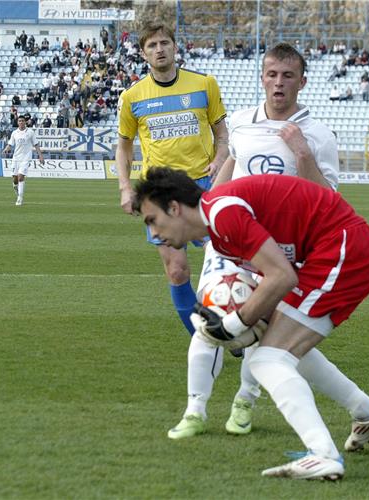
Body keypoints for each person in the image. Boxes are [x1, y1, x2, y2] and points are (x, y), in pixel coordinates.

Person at [133, 167, 369, 481]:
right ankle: (367, 413)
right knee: (275, 347)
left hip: (341, 249)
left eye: (152, 220)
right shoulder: (220, 230)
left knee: (269, 358)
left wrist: (232, 324)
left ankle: (323, 454)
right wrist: (243, 321)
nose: (154, 234)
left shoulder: (223, 214)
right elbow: (275, 276)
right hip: (335, 250)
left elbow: (282, 276)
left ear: (174, 208)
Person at [168, 43, 349, 442]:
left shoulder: (318, 135)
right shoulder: (241, 121)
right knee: (207, 320)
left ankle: (245, 401)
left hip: (281, 249)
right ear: (262, 78)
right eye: (272, 74)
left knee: (261, 329)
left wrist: (302, 153)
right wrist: (207, 214)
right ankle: (195, 409)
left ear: (302, 82)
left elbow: (331, 202)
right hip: (231, 238)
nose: (279, 83)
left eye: (287, 76)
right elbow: (231, 162)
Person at [116, 21, 229, 336]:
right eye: (152, 46)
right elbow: (123, 149)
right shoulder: (133, 96)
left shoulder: (204, 84)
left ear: (175, 47)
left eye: (164, 43)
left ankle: (230, 326)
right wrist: (126, 188)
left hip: (202, 187)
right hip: (159, 195)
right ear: (143, 53)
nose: (159, 49)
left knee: (219, 265)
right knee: (177, 271)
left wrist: (220, 160)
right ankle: (203, 340)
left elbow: (222, 135)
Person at [2, 116, 45, 206]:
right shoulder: (15, 133)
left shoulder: (30, 132)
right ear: (17, 123)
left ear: (25, 122)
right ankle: (16, 188)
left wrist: (40, 156)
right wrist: (6, 149)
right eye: (19, 121)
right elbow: (10, 144)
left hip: (26, 158)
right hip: (16, 158)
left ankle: (20, 198)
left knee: (21, 177)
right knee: (15, 179)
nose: (21, 122)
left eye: (22, 121)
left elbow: (36, 145)